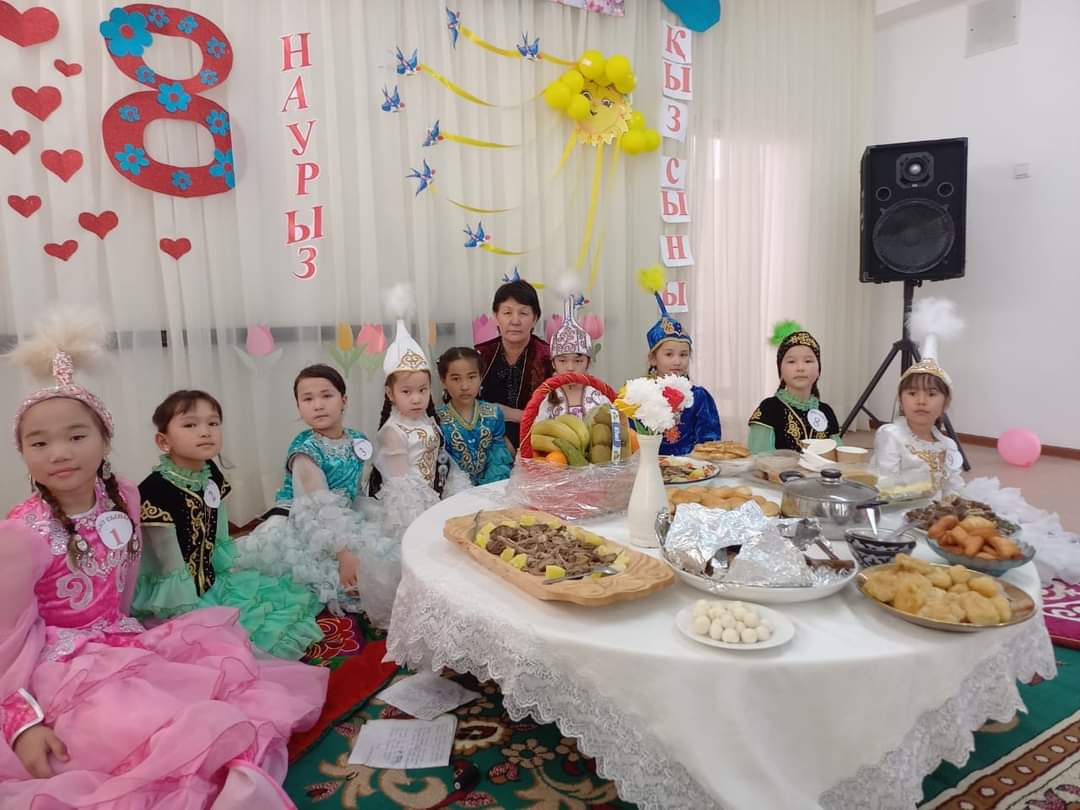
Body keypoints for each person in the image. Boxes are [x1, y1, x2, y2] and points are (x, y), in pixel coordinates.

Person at [0, 310, 326, 808]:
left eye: (76, 436)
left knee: (212, 693)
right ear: (22, 451)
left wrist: (133, 632)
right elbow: (7, 641)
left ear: (106, 440)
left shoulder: (123, 497)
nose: (59, 453)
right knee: (143, 734)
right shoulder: (20, 535)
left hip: (122, 637)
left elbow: (126, 584)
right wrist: (22, 721)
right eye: (38, 442)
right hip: (60, 665)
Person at [134, 390, 323, 658]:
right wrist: (185, 610)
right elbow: (168, 565)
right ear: (163, 441)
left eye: (213, 423)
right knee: (227, 643)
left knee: (278, 603)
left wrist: (220, 570)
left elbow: (219, 530)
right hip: (176, 599)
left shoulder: (209, 472)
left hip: (211, 581)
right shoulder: (155, 492)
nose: (205, 432)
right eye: (190, 425)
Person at [233, 364, 399, 625]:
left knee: (389, 546)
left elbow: (357, 486)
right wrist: (343, 554)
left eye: (326, 395)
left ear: (344, 400)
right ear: (299, 407)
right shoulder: (305, 450)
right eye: (308, 399)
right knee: (331, 578)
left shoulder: (356, 438)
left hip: (346, 510)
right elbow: (317, 506)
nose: (318, 405)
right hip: (305, 518)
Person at [872, 298, 965, 496]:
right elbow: (884, 486)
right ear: (901, 400)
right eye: (912, 393)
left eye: (931, 394)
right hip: (898, 509)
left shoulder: (947, 445)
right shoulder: (891, 436)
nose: (921, 401)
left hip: (937, 512)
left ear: (945, 403)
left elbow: (954, 488)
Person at [638, 266, 721, 456]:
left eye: (683, 355)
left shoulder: (699, 397)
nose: (677, 361)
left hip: (693, 469)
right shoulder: (639, 396)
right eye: (669, 354)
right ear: (653, 359)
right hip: (649, 467)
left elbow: (710, 444)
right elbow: (631, 441)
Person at [476, 270, 553, 448]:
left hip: (539, 441)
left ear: (535, 319)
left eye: (523, 313)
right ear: (496, 317)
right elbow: (461, 402)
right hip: (485, 441)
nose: (515, 321)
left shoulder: (549, 358)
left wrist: (514, 414)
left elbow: (560, 408)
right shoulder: (480, 355)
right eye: (507, 313)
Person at [748, 323, 841, 453]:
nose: (800, 368)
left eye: (808, 361)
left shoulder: (826, 411)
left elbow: (838, 455)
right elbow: (759, 457)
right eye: (791, 361)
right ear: (780, 371)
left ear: (818, 370)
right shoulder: (769, 409)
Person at [435, 347, 514, 485]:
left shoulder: (493, 414)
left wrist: (488, 489)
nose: (465, 386)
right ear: (443, 380)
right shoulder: (437, 419)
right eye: (456, 379)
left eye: (471, 377)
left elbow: (497, 456)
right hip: (454, 490)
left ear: (481, 377)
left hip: (491, 488)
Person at [535, 289, 611, 421]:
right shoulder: (547, 400)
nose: (570, 367)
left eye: (578, 361)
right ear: (553, 363)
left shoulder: (599, 397)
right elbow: (538, 431)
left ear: (588, 362)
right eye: (562, 361)